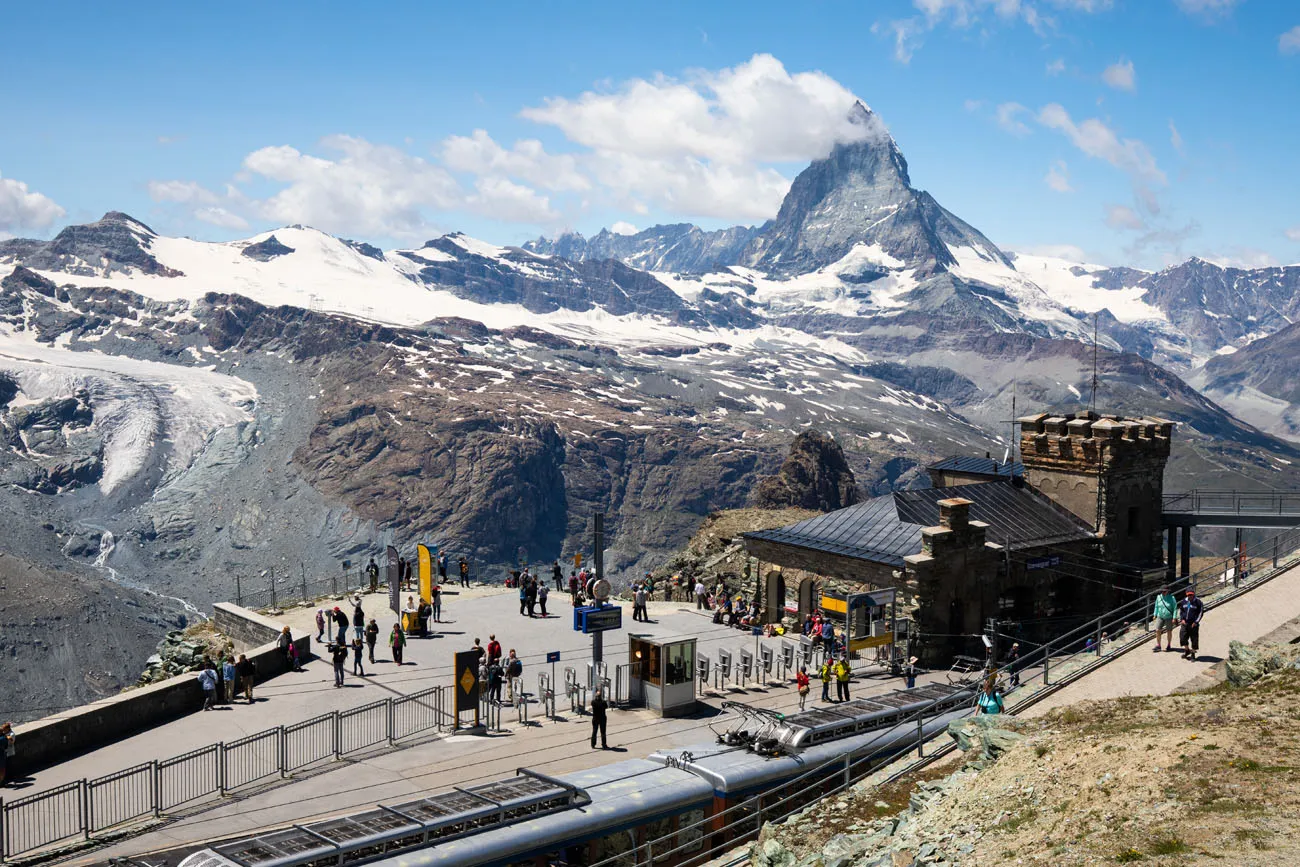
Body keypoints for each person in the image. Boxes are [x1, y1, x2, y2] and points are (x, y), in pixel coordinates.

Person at [1177, 588, 1205, 661]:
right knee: (1182, 637)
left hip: (1193, 624)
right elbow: (1181, 611)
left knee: (1194, 639)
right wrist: (1182, 619)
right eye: (1188, 595)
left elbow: (1200, 613)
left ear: (1193, 594)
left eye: (1191, 595)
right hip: (1185, 623)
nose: (1190, 596)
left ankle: (1193, 654)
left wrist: (1196, 622)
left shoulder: (1198, 602)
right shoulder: (1184, 601)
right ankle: (1187, 650)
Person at [1152, 586, 1177, 652]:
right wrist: (1155, 614)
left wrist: (1174, 617)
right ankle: (1158, 645)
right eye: (1162, 591)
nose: (1163, 592)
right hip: (1160, 616)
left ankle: (1168, 645)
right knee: (1157, 630)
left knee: (1169, 631)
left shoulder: (1172, 598)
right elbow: (1156, 606)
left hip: (1169, 617)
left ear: (1168, 591)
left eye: (1164, 591)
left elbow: (1175, 608)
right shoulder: (1158, 597)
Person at [0, 722, 13, 788]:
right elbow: (8, 743)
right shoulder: (4, 738)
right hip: (2, 755)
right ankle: (1, 782)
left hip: (1, 756)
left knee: (2, 770)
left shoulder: (2, 738)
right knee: (2, 770)